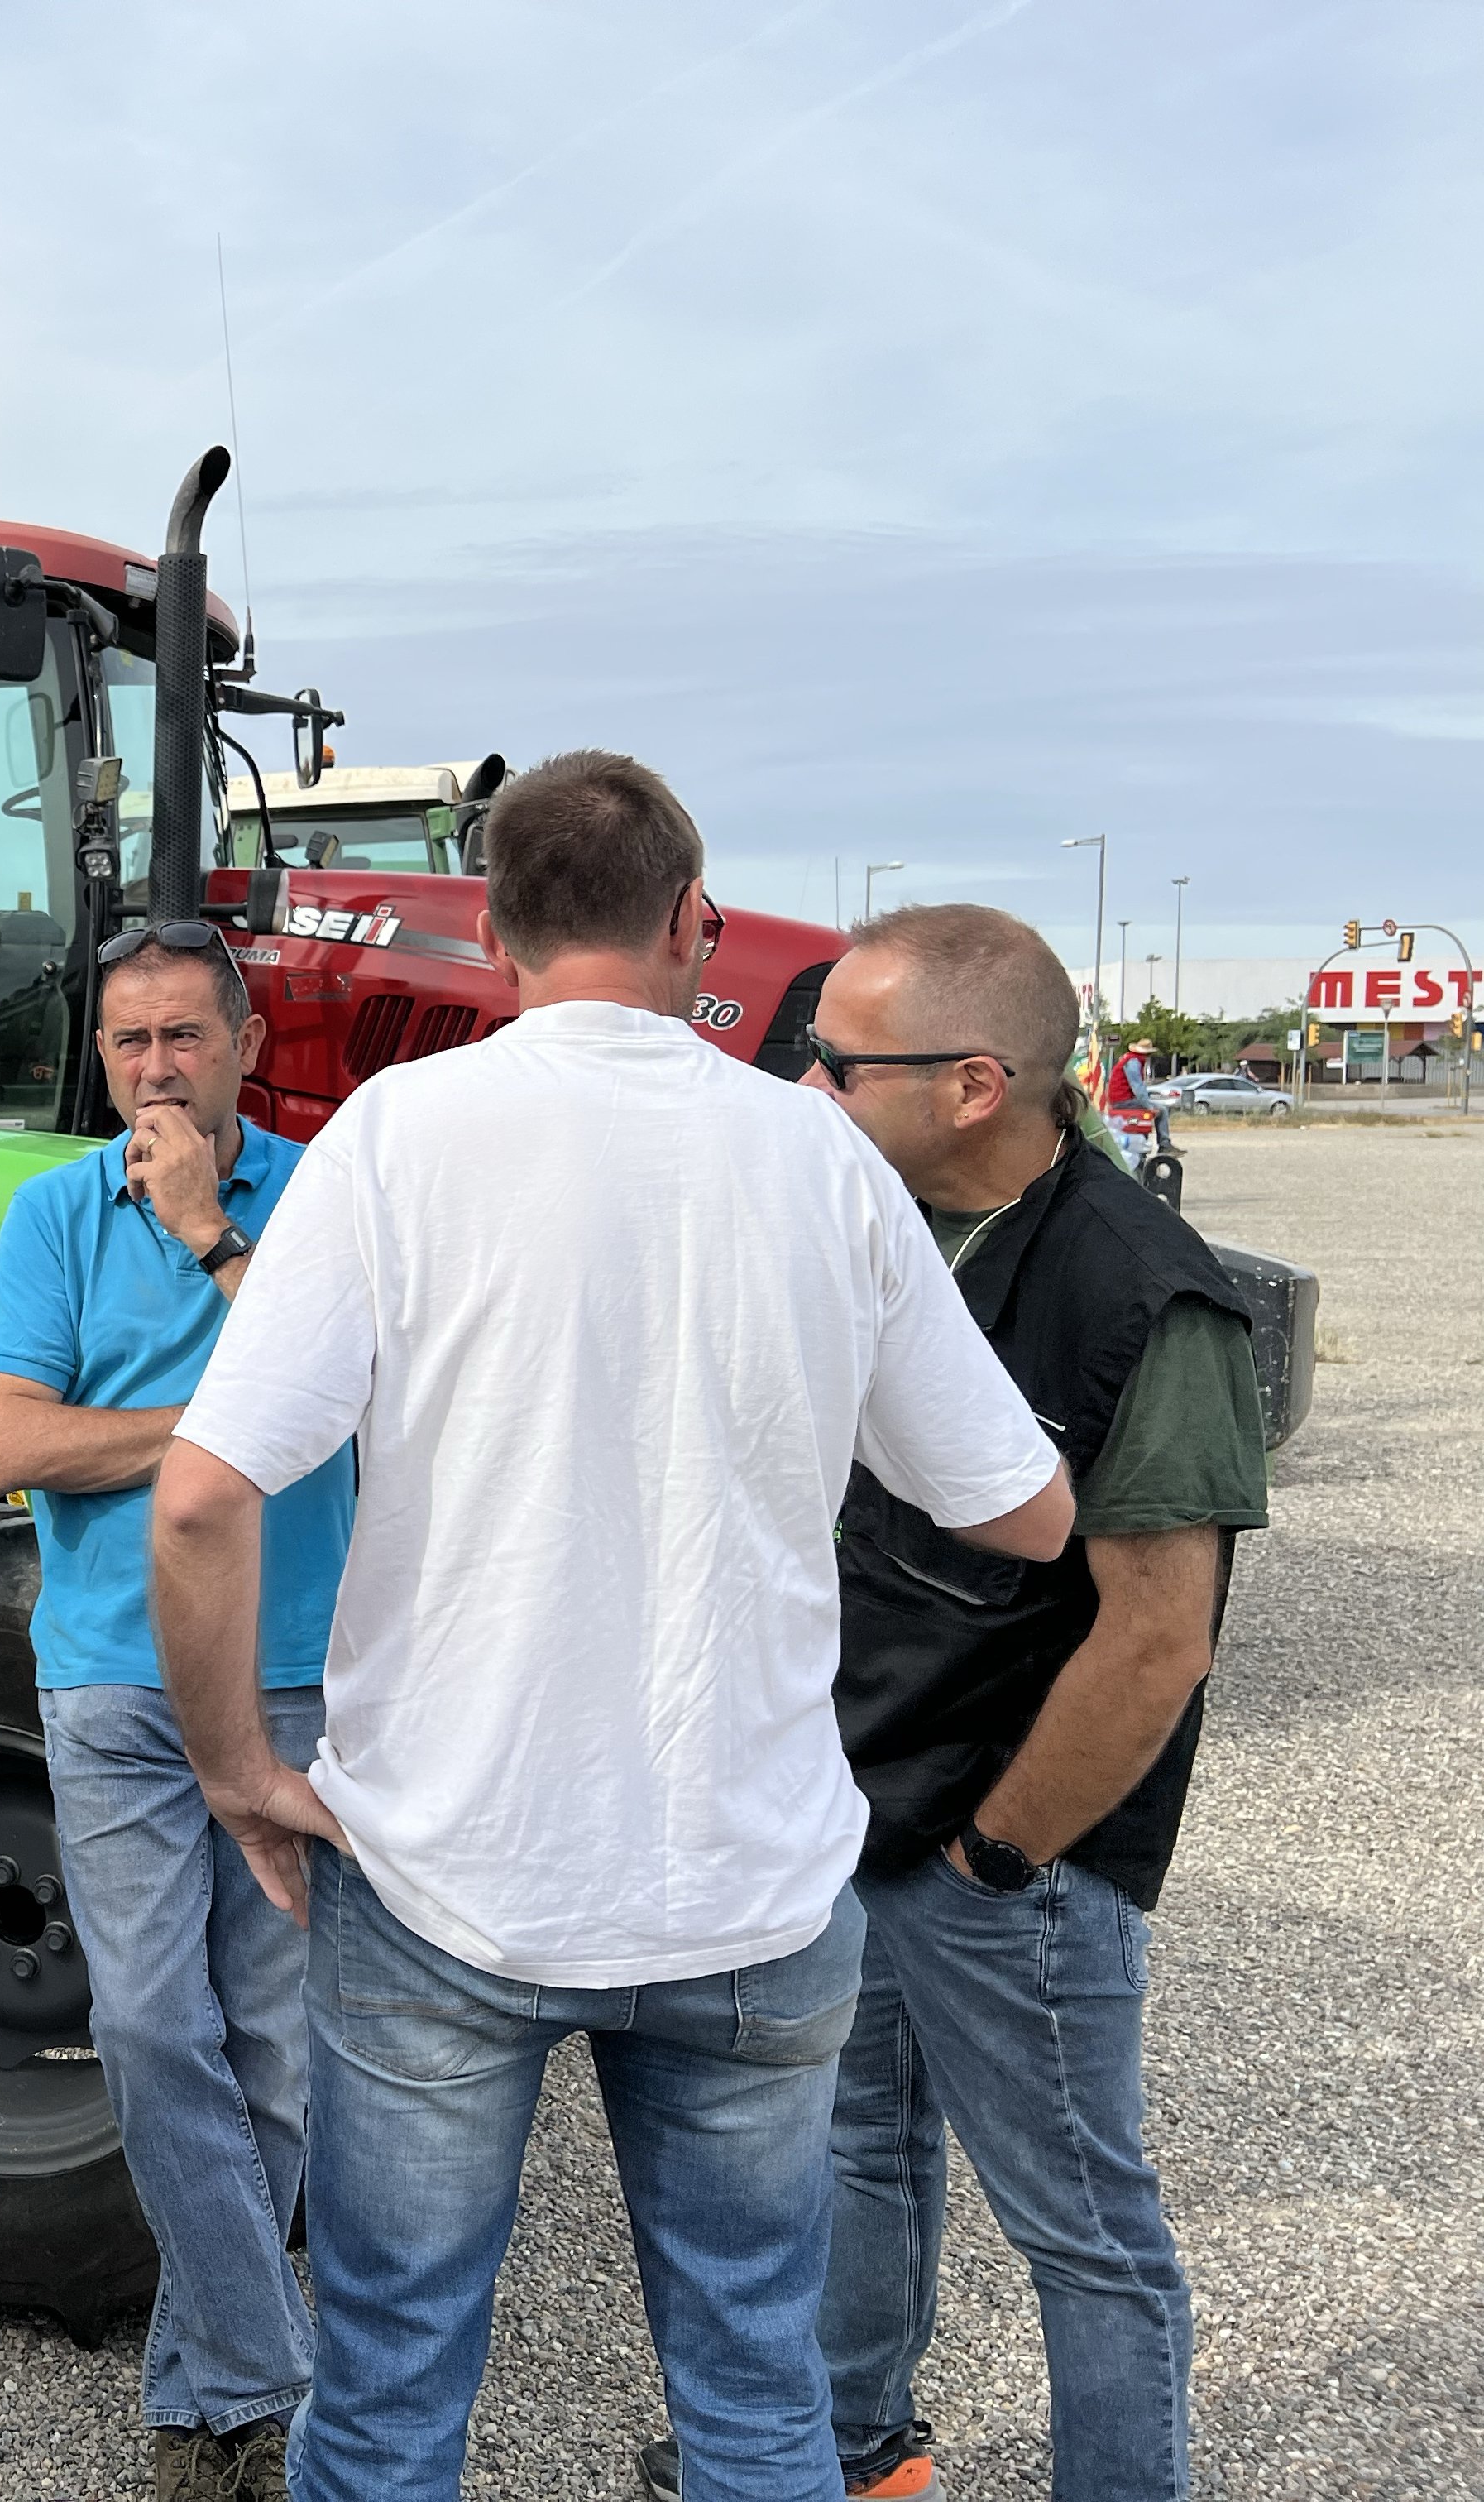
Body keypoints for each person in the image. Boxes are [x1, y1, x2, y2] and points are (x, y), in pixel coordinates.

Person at [148, 751, 1075, 2502]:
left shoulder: (398, 1141)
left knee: (394, 2390)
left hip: (444, 1874)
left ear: (493, 936)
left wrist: (240, 1772)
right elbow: (1019, 1508)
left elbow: (202, 1499)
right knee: (752, 2386)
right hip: (745, 1878)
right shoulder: (817, 1154)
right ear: (690, 921)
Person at [642, 905, 1264, 2502]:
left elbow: (1155, 1640)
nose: (804, 1087)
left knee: (1085, 2231)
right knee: (862, 2153)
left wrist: (1000, 1856)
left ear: (978, 1083)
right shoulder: (882, 1224)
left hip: (1016, 1858)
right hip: (864, 1812)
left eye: (839, 1064)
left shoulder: (1146, 1296)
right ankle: (858, 2456)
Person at [0, 923, 357, 2502]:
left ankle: (207, 2408)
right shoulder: (53, 1212)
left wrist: (206, 1233)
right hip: (117, 1671)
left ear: (246, 1043)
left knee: (272, 2046)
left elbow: (345, 1407)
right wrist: (219, 1434)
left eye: (184, 1037)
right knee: (144, 2020)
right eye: (128, 1043)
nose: (154, 1070)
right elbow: (5, 1444)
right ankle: (272, 2369)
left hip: (294, 1670)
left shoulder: (320, 1197)